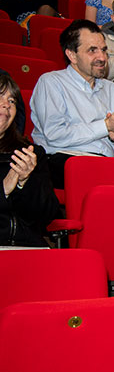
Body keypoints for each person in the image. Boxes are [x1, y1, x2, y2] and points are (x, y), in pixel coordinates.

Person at [30, 20, 114, 188]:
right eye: (92, 51)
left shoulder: (113, 90)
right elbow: (55, 134)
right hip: (65, 160)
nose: (102, 57)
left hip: (106, 163)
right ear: (72, 55)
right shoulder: (51, 82)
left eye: (103, 50)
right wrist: (105, 126)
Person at [1, 73, 58, 246]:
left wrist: (24, 184)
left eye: (12, 101)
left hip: (28, 246)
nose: (6, 105)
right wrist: (4, 189)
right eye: (0, 96)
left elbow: (47, 214)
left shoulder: (30, 153)